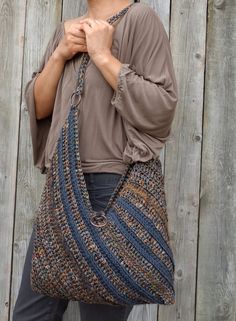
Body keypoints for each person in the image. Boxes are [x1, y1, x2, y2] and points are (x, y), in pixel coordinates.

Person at [12, 0, 178, 320]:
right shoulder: (67, 29)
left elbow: (160, 108)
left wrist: (102, 55)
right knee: (31, 314)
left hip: (111, 188)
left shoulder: (140, 19)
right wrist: (60, 53)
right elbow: (40, 106)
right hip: (61, 187)